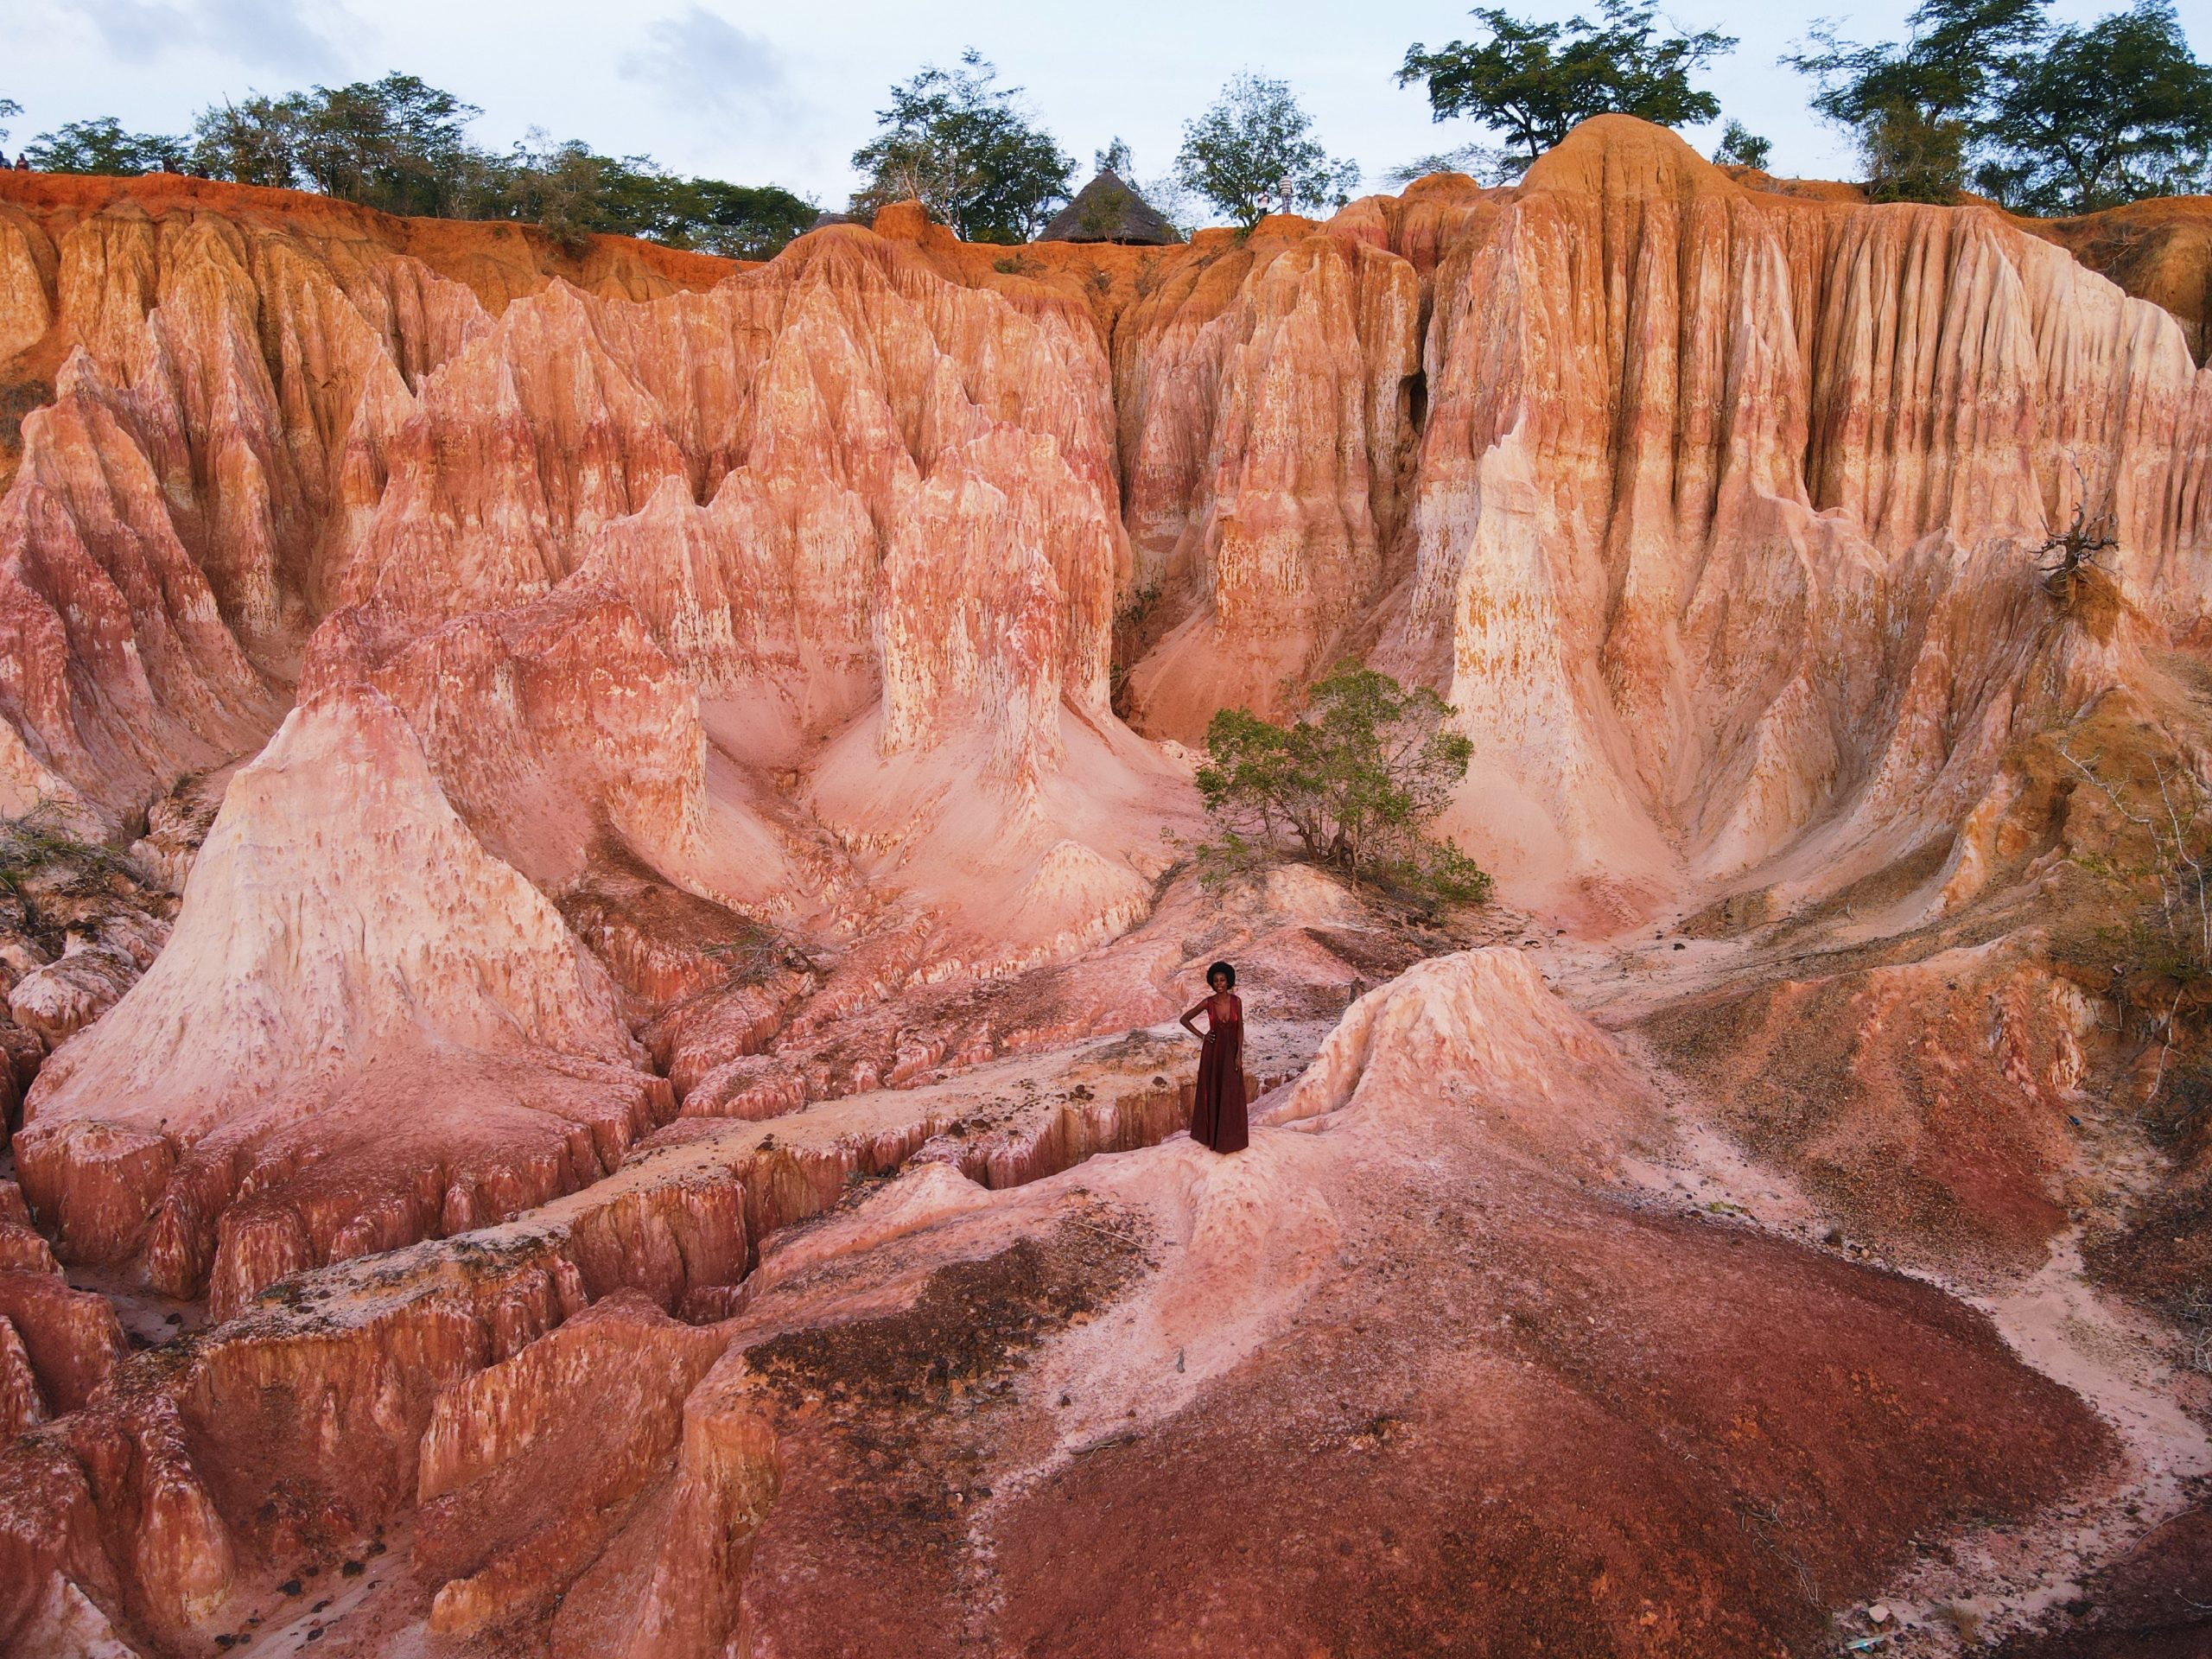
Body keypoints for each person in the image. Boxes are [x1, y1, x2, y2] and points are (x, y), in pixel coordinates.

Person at [1178, 961, 1249, 1154]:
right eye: (1216, 980)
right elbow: (1184, 1019)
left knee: (1231, 1092)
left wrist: (1238, 1055)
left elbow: (1240, 1028)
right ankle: (1210, 1136)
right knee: (1213, 1090)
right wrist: (1203, 1036)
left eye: (1223, 980)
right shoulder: (1208, 1003)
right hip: (1213, 1054)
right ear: (1212, 982)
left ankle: (1230, 1138)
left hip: (1231, 1053)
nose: (1219, 984)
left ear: (1228, 981)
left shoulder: (1236, 1002)